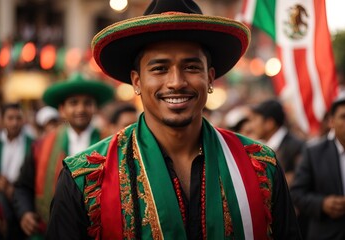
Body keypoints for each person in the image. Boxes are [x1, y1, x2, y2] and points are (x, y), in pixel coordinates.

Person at [47, 1, 301, 239]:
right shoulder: (85, 178)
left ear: (210, 78)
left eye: (191, 67)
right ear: (137, 81)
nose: (177, 82)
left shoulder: (261, 166)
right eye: (159, 68)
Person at [13, 73, 113, 238]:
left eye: (87, 103)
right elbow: (22, 186)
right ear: (62, 109)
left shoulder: (110, 143)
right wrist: (25, 212)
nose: (81, 109)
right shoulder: (41, 146)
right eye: (73, 103)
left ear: (94, 107)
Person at [290, 96, 345, 240]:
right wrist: (322, 204)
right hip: (327, 233)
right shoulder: (313, 152)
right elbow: (296, 193)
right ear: (331, 122)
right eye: (343, 117)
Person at [249, 99, 304, 187]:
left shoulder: (296, 147)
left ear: (269, 123)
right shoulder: (259, 148)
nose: (251, 126)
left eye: (255, 120)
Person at [0, 103, 34, 240]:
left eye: (18, 118)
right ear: (2, 120)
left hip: (23, 197)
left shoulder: (33, 144)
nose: (14, 123)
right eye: (10, 118)